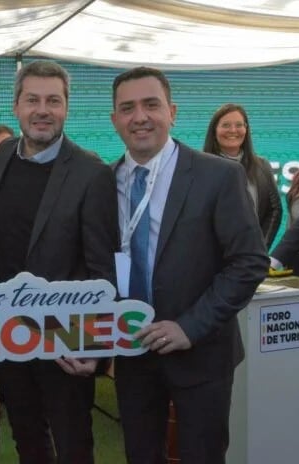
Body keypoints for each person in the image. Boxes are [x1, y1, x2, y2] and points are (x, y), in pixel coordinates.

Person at [110, 67, 268, 464]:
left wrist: (189, 327)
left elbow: (248, 262)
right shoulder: (103, 181)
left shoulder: (219, 175)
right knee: (141, 455)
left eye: (151, 104)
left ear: (173, 111)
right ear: (115, 120)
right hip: (132, 353)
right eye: (127, 108)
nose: (140, 117)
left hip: (201, 353)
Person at [0, 60, 119, 464]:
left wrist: (96, 345)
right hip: (9, 332)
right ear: (16, 106)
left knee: (73, 442)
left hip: (65, 337)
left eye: (53, 101)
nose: (42, 110)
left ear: (66, 108)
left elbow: (103, 267)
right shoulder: (5, 153)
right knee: (27, 439)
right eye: (33, 100)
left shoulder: (92, 172)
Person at [203, 103, 282, 248]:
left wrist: (260, 249)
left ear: (246, 129)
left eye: (239, 125)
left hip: (251, 258)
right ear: (214, 130)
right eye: (226, 125)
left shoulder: (262, 166)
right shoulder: (201, 166)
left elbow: (274, 210)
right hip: (210, 260)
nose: (233, 130)